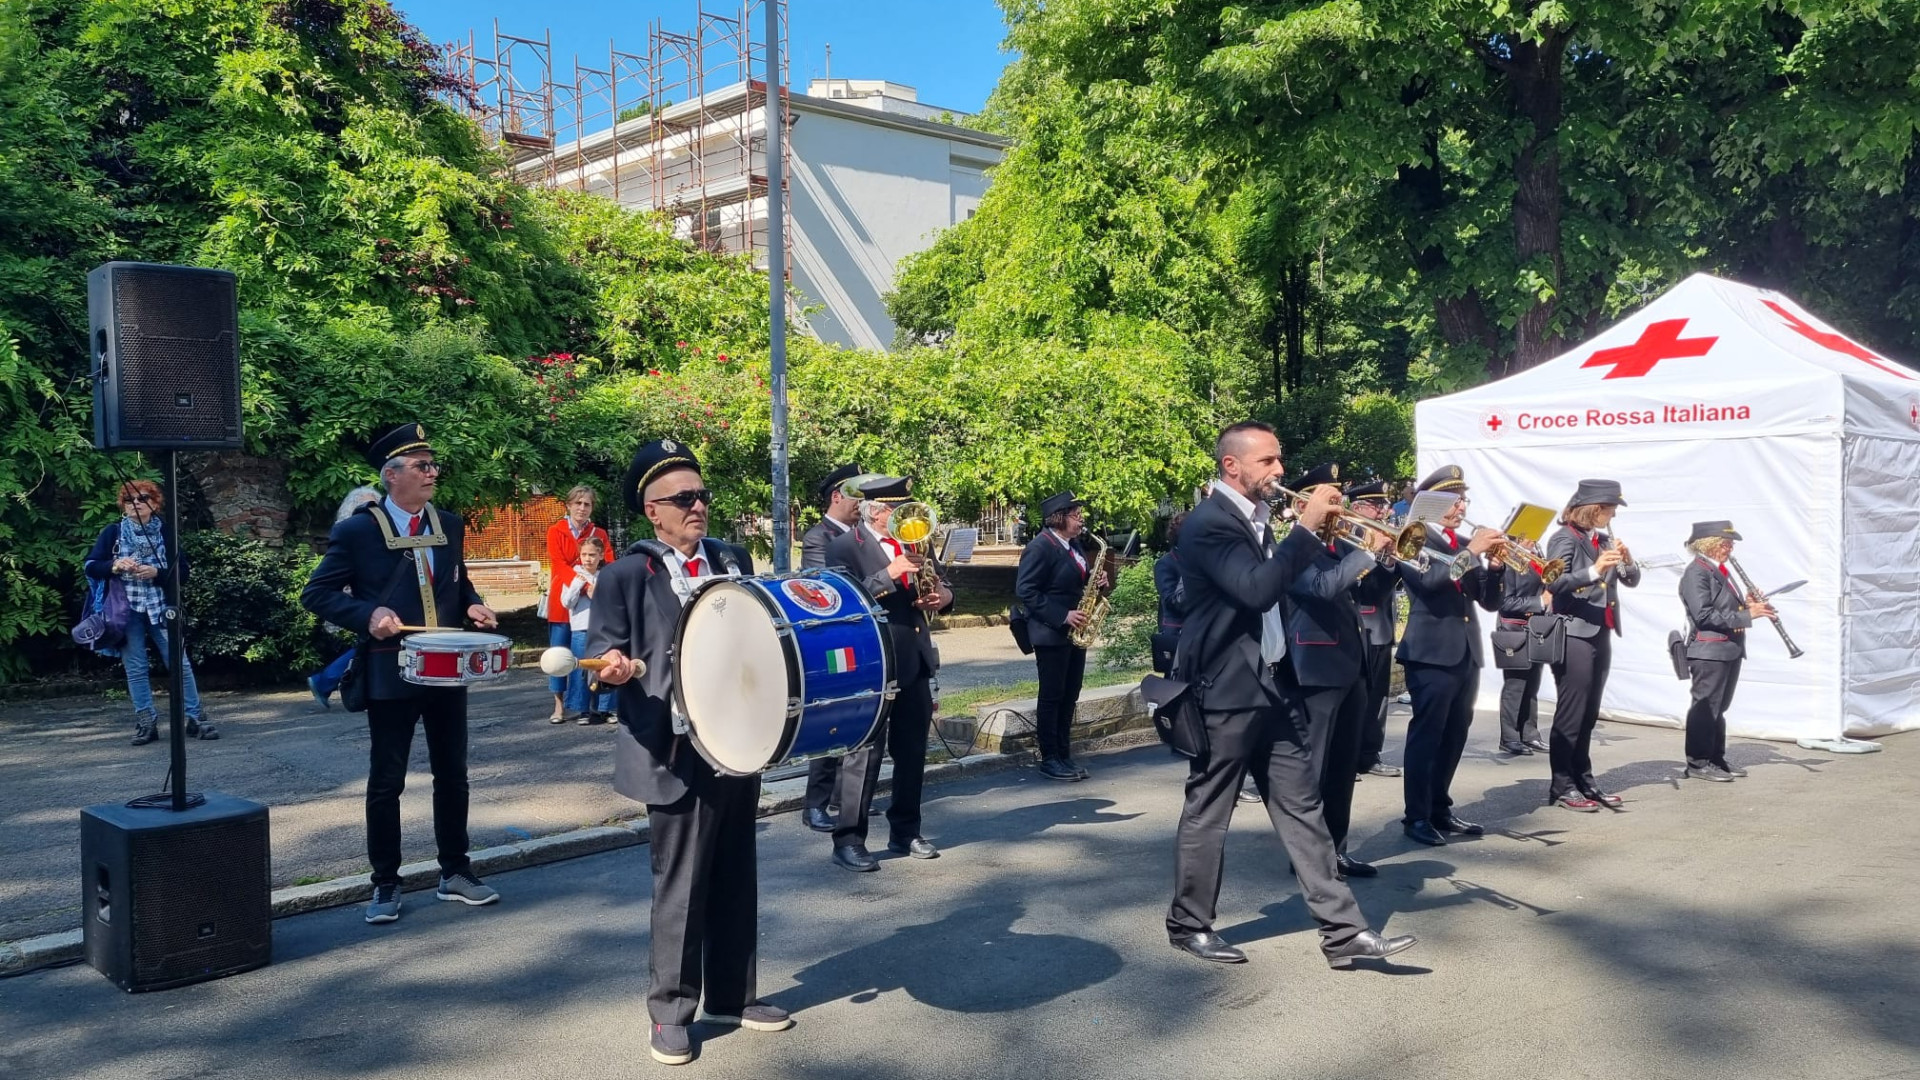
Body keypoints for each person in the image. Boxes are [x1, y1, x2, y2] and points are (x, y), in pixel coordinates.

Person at [1165, 421, 1415, 969]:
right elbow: (1256, 591)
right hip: (1226, 692)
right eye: (1268, 461)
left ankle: (1344, 933)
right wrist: (1305, 529)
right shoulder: (1210, 523)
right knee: (1209, 810)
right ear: (1232, 465)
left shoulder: (1256, 520)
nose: (1279, 470)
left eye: (1279, 460)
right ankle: (1188, 924)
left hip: (1273, 684)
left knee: (1303, 808)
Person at [586, 438, 790, 1065]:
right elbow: (602, 651)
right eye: (683, 498)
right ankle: (670, 1012)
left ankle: (733, 995)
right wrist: (613, 667)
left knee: (735, 873)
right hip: (672, 749)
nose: (698, 505)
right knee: (681, 884)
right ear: (653, 511)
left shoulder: (732, 557)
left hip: (735, 741)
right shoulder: (624, 575)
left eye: (701, 495)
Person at [300, 423, 500, 925]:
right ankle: (385, 882)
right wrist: (366, 614)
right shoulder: (358, 531)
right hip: (391, 672)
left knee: (452, 775)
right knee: (387, 782)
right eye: (421, 466)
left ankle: (456, 871)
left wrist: (473, 605)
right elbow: (316, 593)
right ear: (391, 476)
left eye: (433, 465)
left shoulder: (449, 524)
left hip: (447, 670)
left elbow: (459, 583)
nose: (433, 473)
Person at [823, 474, 954, 872]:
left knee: (912, 752)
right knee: (864, 754)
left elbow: (945, 585)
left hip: (914, 658)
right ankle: (848, 840)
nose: (907, 517)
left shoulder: (918, 541)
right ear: (876, 512)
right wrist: (888, 574)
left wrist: (942, 596)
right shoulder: (844, 546)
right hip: (873, 663)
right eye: (898, 510)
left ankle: (905, 831)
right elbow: (841, 601)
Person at [1281, 463, 1386, 880]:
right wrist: (1367, 553)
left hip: (1350, 665)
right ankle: (1307, 857)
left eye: (1339, 499)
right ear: (1306, 503)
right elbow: (1322, 588)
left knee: (1343, 768)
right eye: (1332, 499)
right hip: (1316, 669)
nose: (1340, 507)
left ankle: (1336, 849)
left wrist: (1386, 559)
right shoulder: (1293, 546)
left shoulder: (1341, 545)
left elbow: (1369, 593)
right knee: (1314, 769)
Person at [1393, 466, 1503, 848]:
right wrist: (1472, 552)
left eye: (1463, 500)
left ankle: (1439, 806)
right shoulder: (1414, 538)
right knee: (1427, 736)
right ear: (1434, 502)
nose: (1462, 507)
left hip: (1466, 651)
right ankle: (1416, 816)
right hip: (1430, 652)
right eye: (1455, 501)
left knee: (1455, 734)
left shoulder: (1461, 543)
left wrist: (1496, 568)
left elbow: (1488, 600)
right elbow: (1429, 583)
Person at [84, 479, 217, 745]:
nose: (135, 503)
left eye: (142, 498)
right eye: (129, 499)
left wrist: (157, 573)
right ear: (123, 505)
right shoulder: (113, 532)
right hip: (126, 610)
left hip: (161, 608)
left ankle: (195, 719)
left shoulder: (167, 533)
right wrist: (115, 565)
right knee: (136, 667)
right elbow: (90, 566)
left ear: (155, 504)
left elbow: (184, 573)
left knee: (179, 664)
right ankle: (146, 723)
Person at [1543, 480, 1639, 811]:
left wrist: (1627, 561)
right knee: (1572, 712)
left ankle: (1584, 779)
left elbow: (1631, 579)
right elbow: (1554, 581)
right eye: (1610, 509)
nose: (1613, 515)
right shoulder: (1564, 538)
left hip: (1600, 631)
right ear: (1594, 509)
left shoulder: (1602, 539)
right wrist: (1594, 570)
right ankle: (1562, 784)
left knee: (1589, 713)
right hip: (1574, 632)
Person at [1014, 490, 1108, 781]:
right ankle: (1050, 757)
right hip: (1051, 633)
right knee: (1052, 696)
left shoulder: (1074, 545)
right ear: (1058, 518)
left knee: (1070, 694)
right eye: (1075, 515)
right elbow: (1026, 591)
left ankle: (1064, 754)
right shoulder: (1040, 548)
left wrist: (1098, 581)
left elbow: (1076, 581)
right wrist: (1062, 615)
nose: (1081, 520)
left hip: (1074, 633)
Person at [1678, 521, 1771, 783]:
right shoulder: (1697, 572)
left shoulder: (1718, 570)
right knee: (1705, 708)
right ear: (1709, 544)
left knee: (1719, 708)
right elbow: (1704, 615)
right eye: (1725, 544)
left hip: (1727, 649)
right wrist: (1747, 615)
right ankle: (1698, 763)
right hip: (1709, 650)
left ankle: (1715, 758)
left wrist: (1747, 606)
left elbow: (1725, 608)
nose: (1730, 548)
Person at [799, 462, 864, 832]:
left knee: (857, 717)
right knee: (830, 723)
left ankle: (846, 796)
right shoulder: (818, 538)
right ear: (837, 497)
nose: (862, 503)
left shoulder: (860, 536)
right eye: (856, 496)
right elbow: (830, 586)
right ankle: (815, 804)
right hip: (832, 640)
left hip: (860, 636)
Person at [1344, 480, 1402, 779]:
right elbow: (1359, 585)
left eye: (1384, 505)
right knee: (1355, 697)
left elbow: (1386, 586)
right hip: (1358, 624)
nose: (1383, 511)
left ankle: (1369, 754)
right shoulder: (1348, 536)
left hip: (1381, 625)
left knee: (1378, 697)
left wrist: (1391, 559)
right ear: (1358, 508)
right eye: (1377, 505)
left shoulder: (1381, 535)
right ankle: (1348, 758)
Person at [309, 486, 383, 709]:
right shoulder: (350, 531)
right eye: (368, 505)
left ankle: (325, 681)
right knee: (369, 643)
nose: (373, 509)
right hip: (359, 600)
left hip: (368, 600)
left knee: (367, 643)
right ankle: (325, 681)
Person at [545, 485, 615, 723]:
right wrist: (585, 586)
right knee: (559, 653)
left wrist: (600, 587)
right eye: (578, 503)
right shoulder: (556, 531)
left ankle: (593, 705)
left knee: (591, 654)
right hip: (564, 599)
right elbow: (559, 565)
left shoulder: (599, 533)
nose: (582, 508)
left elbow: (609, 561)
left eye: (587, 504)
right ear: (568, 505)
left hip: (593, 607)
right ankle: (558, 705)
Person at [1494, 555, 1551, 758]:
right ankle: (1509, 737)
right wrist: (1540, 601)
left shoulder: (1537, 556)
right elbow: (1505, 602)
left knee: (1532, 684)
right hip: (1514, 631)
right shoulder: (1510, 562)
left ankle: (1529, 734)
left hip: (1535, 628)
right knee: (1515, 685)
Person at [557, 535, 617, 724]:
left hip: (604, 628)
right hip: (581, 628)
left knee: (607, 666)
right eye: (584, 555)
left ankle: (605, 708)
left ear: (601, 556)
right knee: (582, 668)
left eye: (592, 555)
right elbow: (567, 602)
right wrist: (577, 586)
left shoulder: (606, 575)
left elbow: (615, 602)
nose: (587, 559)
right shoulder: (574, 575)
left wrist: (598, 593)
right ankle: (583, 709)